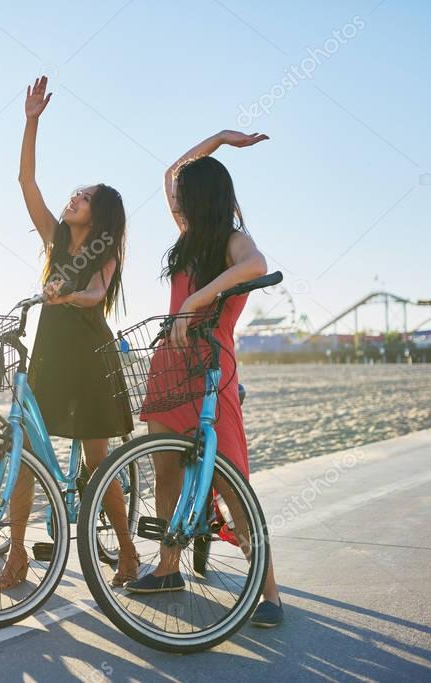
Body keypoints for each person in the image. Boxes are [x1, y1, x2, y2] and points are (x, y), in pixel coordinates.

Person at [125, 129, 284, 628]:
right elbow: (169, 173)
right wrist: (217, 139)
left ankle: (270, 591)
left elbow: (257, 265)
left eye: (186, 197)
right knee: (166, 470)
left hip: (212, 367)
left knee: (231, 479)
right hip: (169, 364)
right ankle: (168, 566)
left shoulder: (234, 242)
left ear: (204, 199)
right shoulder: (186, 237)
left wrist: (197, 300)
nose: (177, 201)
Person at [0, 75, 136, 591]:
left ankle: (127, 554)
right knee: (26, 455)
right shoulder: (55, 239)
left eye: (85, 196)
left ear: (100, 214)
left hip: (90, 356)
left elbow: (98, 294)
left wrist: (68, 296)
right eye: (76, 192)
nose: (74, 197)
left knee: (99, 464)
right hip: (50, 354)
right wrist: (30, 121)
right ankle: (16, 554)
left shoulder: (105, 251)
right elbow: (26, 183)